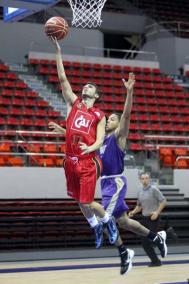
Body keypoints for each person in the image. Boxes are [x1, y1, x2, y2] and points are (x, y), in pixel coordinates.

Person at [49, 73, 167, 275]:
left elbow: (127, 116)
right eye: (109, 118)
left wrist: (129, 93)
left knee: (107, 218)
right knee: (124, 222)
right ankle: (156, 238)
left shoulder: (118, 137)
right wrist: (63, 130)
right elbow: (78, 135)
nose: (109, 119)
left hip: (115, 182)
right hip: (104, 183)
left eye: (113, 118)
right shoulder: (100, 140)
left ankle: (123, 254)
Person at [50, 37, 118, 250]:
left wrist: (92, 147)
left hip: (88, 160)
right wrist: (58, 52)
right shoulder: (74, 103)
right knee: (80, 202)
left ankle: (108, 220)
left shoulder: (99, 114)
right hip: (69, 161)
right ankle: (95, 225)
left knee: (88, 202)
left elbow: (99, 137)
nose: (86, 86)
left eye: (91, 86)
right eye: (85, 85)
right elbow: (62, 79)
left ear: (96, 95)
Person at [129, 172, 167, 267]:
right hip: (144, 219)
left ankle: (161, 236)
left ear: (149, 179)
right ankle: (155, 261)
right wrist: (133, 212)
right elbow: (139, 206)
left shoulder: (154, 189)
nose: (145, 180)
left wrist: (157, 212)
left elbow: (163, 201)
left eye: (146, 178)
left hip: (153, 218)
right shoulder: (140, 191)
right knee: (144, 243)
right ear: (140, 180)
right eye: (143, 178)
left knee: (151, 239)